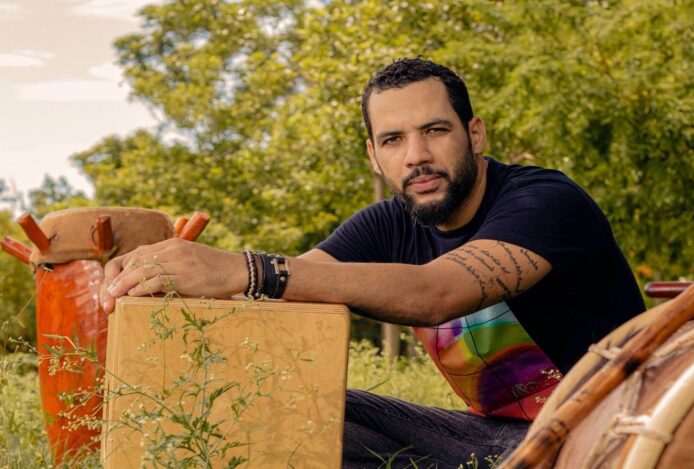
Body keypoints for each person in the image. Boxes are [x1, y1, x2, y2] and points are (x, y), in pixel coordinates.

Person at [100, 58, 645, 467]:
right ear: (374, 156)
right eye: (393, 140)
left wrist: (244, 267)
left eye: (435, 131)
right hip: (491, 440)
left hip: (608, 435)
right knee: (281, 406)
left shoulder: (545, 201)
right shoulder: (388, 224)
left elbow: (438, 293)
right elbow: (279, 300)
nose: (416, 156)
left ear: (475, 134)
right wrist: (173, 287)